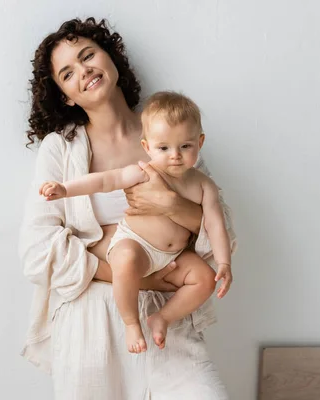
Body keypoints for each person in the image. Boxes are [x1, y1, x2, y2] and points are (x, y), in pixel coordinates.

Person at [19, 17, 237, 400]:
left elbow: (220, 231)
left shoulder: (167, 133)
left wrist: (168, 203)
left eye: (89, 55)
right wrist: (138, 274)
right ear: (65, 95)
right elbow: (39, 252)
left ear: (112, 58)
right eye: (68, 73)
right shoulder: (61, 149)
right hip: (92, 321)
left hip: (168, 317)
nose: (84, 71)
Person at [38, 91, 233, 354]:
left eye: (185, 146)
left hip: (172, 256)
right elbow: (103, 181)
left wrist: (223, 263)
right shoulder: (142, 172)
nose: (175, 155)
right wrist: (65, 188)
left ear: (200, 142)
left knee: (205, 279)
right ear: (147, 147)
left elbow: (215, 225)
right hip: (136, 245)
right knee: (126, 259)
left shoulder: (204, 185)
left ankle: (162, 317)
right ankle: (131, 323)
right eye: (164, 148)